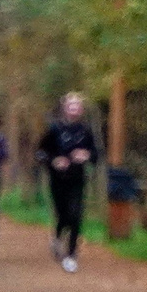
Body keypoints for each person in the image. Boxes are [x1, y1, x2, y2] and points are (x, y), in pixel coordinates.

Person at [37, 94, 98, 272]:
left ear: (81, 110)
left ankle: (71, 255)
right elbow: (40, 153)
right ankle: (56, 237)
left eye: (77, 105)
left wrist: (86, 155)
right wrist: (55, 161)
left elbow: (95, 154)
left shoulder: (85, 131)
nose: (74, 108)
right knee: (63, 215)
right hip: (58, 181)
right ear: (65, 108)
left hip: (77, 180)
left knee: (76, 216)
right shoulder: (54, 129)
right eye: (71, 105)